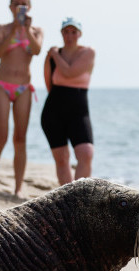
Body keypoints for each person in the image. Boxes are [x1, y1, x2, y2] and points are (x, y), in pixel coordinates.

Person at [0, 0, 43, 198]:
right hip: (1, 84)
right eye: (16, 3)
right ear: (10, 7)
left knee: (20, 139)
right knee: (1, 136)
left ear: (30, 6)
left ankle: (18, 188)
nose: (20, 6)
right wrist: (15, 30)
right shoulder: (1, 29)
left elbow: (36, 51)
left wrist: (26, 30)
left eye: (24, 3)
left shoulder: (36, 30)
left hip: (24, 88)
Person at [40, 17, 96, 185]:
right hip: (54, 110)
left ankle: (80, 197)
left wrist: (55, 54)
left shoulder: (87, 52)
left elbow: (70, 72)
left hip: (79, 109)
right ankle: (67, 202)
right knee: (62, 158)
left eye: (73, 32)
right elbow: (49, 82)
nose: (69, 35)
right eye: (66, 31)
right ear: (61, 33)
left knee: (86, 153)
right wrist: (54, 55)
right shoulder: (51, 57)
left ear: (79, 34)